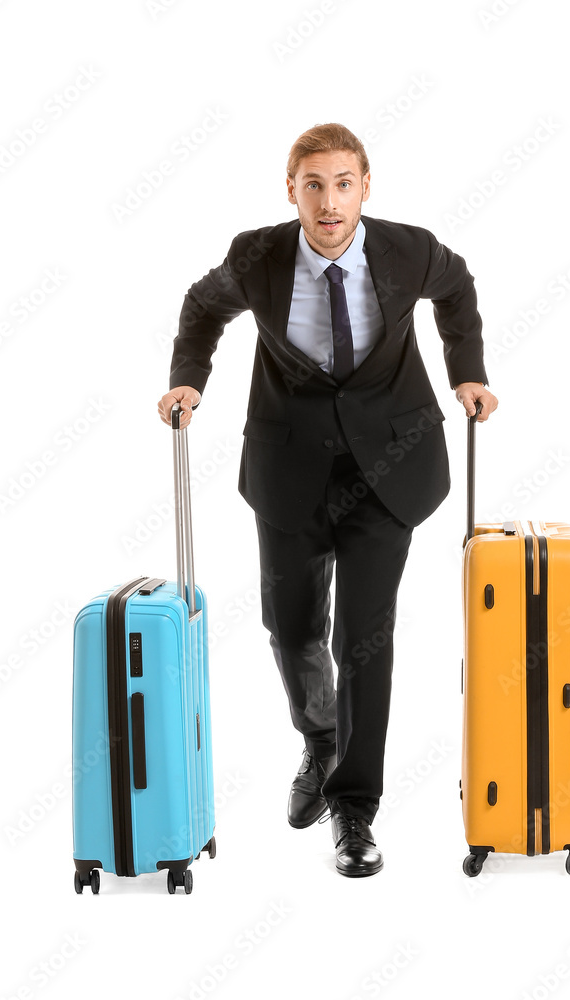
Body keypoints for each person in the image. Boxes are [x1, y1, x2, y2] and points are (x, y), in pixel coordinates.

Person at [158, 122, 498, 878]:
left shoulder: (410, 250)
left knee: (362, 642)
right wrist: (190, 377)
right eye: (313, 185)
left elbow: (458, 288)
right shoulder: (260, 255)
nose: (329, 201)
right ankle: (319, 739)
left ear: (365, 186)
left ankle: (354, 807)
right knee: (291, 630)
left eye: (343, 183)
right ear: (292, 192)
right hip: (288, 472)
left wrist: (465, 371)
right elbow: (200, 304)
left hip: (390, 469)